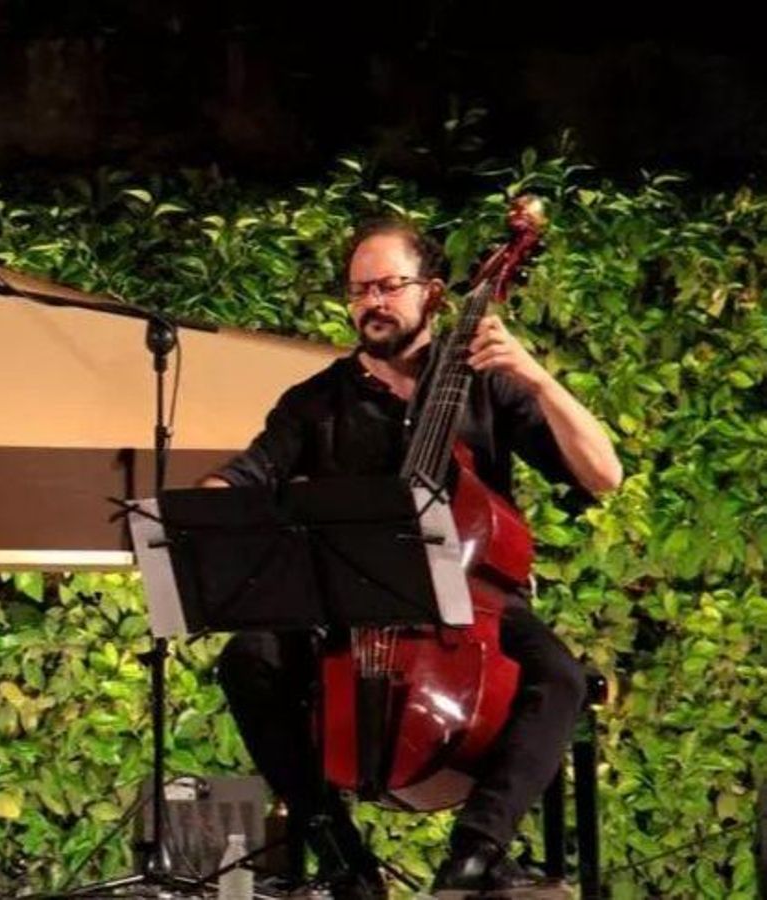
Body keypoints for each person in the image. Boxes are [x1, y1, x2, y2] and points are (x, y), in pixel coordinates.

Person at [202, 217, 622, 896]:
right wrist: (207, 504)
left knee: (562, 679)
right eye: (359, 289)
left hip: (471, 600)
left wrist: (534, 375)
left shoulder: (485, 383)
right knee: (247, 659)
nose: (373, 302)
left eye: (390, 286)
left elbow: (603, 476)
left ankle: (477, 851)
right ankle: (337, 851)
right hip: (351, 605)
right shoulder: (317, 402)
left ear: (432, 292)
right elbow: (252, 472)